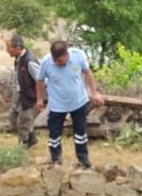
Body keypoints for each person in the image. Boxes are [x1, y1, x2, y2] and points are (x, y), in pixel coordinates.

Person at [35, 40, 104, 168]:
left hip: (79, 102)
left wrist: (94, 93)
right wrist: (39, 99)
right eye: (55, 61)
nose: (58, 64)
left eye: (60, 61)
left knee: (80, 132)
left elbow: (87, 73)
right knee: (54, 134)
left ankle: (83, 159)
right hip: (57, 105)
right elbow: (39, 81)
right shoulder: (46, 62)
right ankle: (56, 159)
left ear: (67, 54)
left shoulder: (78, 55)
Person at [6, 34, 40, 148]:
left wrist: (39, 98)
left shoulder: (29, 61)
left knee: (23, 120)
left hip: (28, 95)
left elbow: (41, 80)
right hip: (18, 93)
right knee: (14, 118)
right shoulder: (18, 58)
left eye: (8, 48)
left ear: (17, 48)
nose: (7, 51)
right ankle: (31, 138)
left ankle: (23, 145)